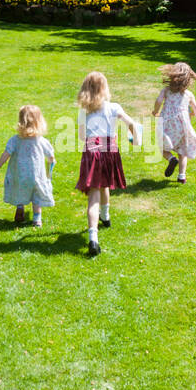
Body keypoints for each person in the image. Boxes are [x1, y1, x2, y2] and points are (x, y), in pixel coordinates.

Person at [76, 71, 141, 257]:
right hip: (109, 150)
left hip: (91, 152)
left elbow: (82, 136)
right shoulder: (114, 107)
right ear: (104, 89)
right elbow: (132, 124)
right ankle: (100, 225)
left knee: (94, 193)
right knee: (105, 184)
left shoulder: (84, 112)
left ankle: (98, 228)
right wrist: (135, 139)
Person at [0, 105, 56, 226]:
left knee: (20, 191)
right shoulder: (41, 141)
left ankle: (20, 207)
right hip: (36, 176)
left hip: (20, 175)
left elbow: (6, 154)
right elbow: (51, 156)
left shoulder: (15, 140)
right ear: (39, 122)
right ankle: (37, 218)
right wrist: (51, 164)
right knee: (37, 195)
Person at [153, 62, 196, 183]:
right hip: (183, 126)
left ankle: (171, 159)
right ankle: (181, 176)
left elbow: (158, 101)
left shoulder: (167, 91)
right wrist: (190, 115)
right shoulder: (188, 94)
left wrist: (155, 111)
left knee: (160, 146)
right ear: (188, 80)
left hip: (167, 123)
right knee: (183, 151)